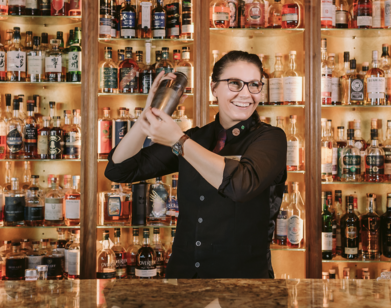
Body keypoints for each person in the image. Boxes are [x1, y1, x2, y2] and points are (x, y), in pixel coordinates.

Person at [105, 50, 287, 279]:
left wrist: (179, 141)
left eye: (254, 85)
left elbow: (241, 185)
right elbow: (120, 169)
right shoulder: (196, 138)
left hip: (242, 286)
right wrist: (147, 117)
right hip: (184, 281)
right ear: (214, 89)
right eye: (235, 84)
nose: (246, 94)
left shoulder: (270, 139)